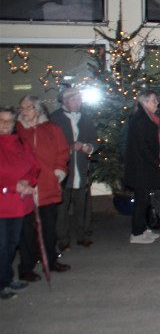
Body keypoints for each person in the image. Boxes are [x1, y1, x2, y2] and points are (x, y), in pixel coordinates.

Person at [16, 95, 71, 278]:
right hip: (25, 189)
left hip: (47, 185)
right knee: (27, 230)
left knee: (48, 226)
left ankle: (50, 259)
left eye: (28, 107)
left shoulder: (52, 129)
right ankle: (26, 266)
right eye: (22, 108)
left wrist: (58, 173)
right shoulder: (16, 132)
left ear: (37, 110)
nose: (24, 111)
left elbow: (62, 153)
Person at [50, 88, 97, 250]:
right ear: (64, 100)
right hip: (64, 168)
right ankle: (62, 237)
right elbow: (50, 144)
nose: (78, 103)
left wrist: (88, 147)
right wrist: (69, 148)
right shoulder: (55, 119)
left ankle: (83, 234)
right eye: (74, 99)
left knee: (82, 203)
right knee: (62, 205)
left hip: (82, 167)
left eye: (79, 99)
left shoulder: (86, 118)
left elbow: (94, 139)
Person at [0, 106, 39, 299]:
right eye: (2, 120)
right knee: (1, 245)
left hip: (18, 205)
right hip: (2, 203)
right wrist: (15, 185)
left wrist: (27, 182)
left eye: (9, 120)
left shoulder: (22, 143)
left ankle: (7, 278)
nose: (6, 124)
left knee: (11, 244)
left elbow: (34, 167)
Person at [123, 90, 160, 245]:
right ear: (144, 102)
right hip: (140, 167)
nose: (157, 102)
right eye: (154, 100)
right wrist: (156, 161)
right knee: (141, 200)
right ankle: (136, 232)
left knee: (145, 199)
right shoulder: (140, 119)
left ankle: (142, 228)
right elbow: (143, 145)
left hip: (145, 166)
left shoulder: (147, 117)